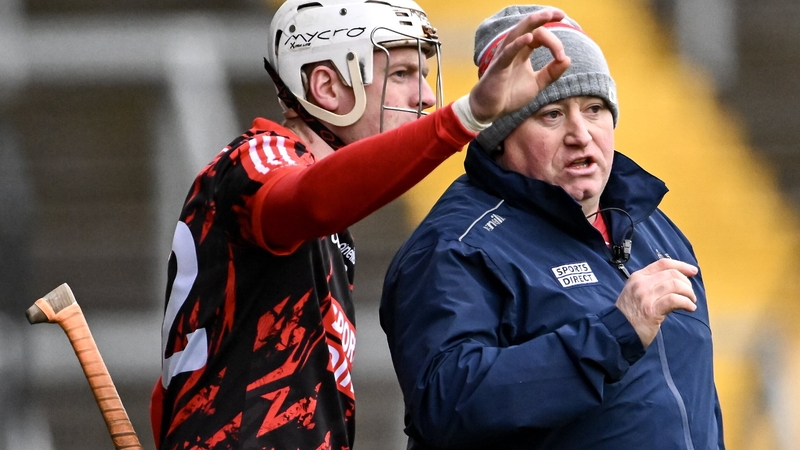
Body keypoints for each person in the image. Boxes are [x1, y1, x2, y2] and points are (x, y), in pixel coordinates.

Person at [149, 0, 573, 448]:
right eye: (402, 73)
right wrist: (464, 117)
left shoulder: (332, 229)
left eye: (423, 75)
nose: (427, 96)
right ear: (328, 86)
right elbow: (309, 200)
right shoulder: (258, 157)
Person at [380, 5, 725, 450]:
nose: (581, 133)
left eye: (595, 108)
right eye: (552, 115)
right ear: (500, 135)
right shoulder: (455, 246)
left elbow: (695, 407)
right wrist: (614, 333)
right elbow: (446, 402)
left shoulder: (654, 225)